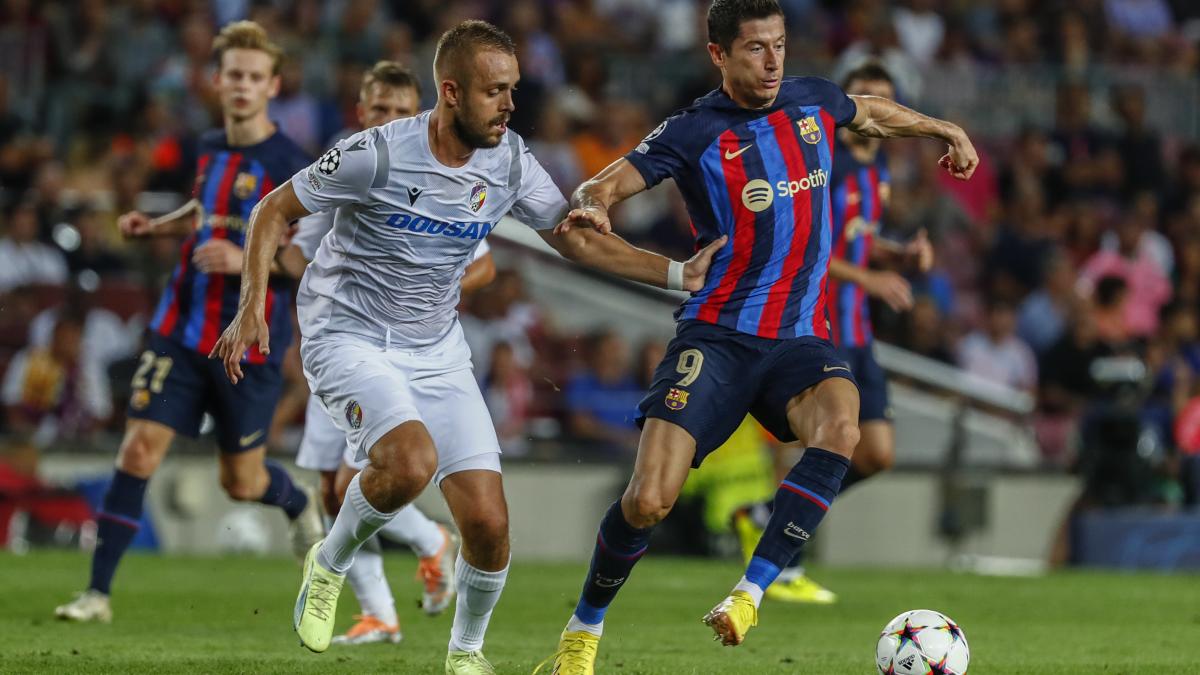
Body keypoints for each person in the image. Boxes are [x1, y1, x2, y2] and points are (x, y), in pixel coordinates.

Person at [211, 20, 724, 674]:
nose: (511, 105)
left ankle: (465, 654)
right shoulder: (379, 153)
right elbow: (272, 211)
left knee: (487, 521)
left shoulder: (508, 159)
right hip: (348, 331)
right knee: (410, 460)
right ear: (450, 92)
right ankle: (329, 562)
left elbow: (573, 235)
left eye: (512, 89)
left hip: (436, 345)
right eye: (494, 91)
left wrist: (677, 273)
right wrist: (252, 305)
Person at [536, 1, 977, 670]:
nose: (773, 61)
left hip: (798, 337)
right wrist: (594, 202)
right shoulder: (693, 131)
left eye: (779, 45)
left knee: (843, 430)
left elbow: (872, 112)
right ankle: (582, 630)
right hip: (716, 337)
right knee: (649, 499)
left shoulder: (812, 101)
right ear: (719, 54)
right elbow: (608, 182)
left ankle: (749, 591)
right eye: (754, 49)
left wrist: (943, 128)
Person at [54, 21, 324, 624]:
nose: (242, 86)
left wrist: (246, 260)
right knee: (139, 448)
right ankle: (97, 594)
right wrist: (159, 226)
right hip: (178, 327)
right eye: (234, 75)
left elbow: (310, 259)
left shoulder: (294, 165)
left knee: (241, 481)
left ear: (273, 85)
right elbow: (207, 212)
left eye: (255, 77)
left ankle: (295, 499)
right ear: (217, 79)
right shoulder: (207, 146)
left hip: (247, 344)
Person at [729, 62, 933, 605]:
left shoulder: (877, 169)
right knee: (807, 438)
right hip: (819, 323)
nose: (880, 114)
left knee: (878, 453)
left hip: (859, 329)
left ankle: (766, 515)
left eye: (890, 100)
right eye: (873, 100)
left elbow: (856, 236)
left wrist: (897, 254)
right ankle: (780, 563)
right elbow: (811, 243)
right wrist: (868, 274)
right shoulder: (830, 164)